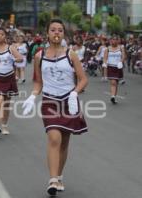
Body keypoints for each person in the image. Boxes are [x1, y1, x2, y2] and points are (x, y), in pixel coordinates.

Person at [22, 19, 88, 196]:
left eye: (60, 30)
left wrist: (75, 93)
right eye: (53, 30)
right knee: (53, 138)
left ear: (63, 34)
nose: (56, 33)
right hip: (50, 102)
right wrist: (32, 96)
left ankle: (59, 176)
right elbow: (38, 82)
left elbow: (83, 79)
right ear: (47, 33)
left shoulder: (71, 54)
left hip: (69, 101)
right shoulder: (39, 56)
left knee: (64, 141)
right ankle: (52, 180)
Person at [0, 28, 23, 137]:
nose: (0, 36)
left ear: (5, 36)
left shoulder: (10, 48)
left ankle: (4, 125)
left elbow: (21, 58)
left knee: (6, 104)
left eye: (2, 34)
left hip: (9, 77)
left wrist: (14, 59)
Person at [103, 35, 125, 104]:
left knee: (116, 82)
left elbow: (123, 56)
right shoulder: (107, 49)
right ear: (110, 41)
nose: (113, 41)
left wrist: (121, 61)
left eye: (115, 39)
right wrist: (104, 64)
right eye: (112, 39)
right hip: (111, 67)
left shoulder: (121, 48)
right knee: (113, 82)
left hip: (118, 67)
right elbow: (105, 58)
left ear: (117, 40)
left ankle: (114, 97)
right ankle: (112, 96)